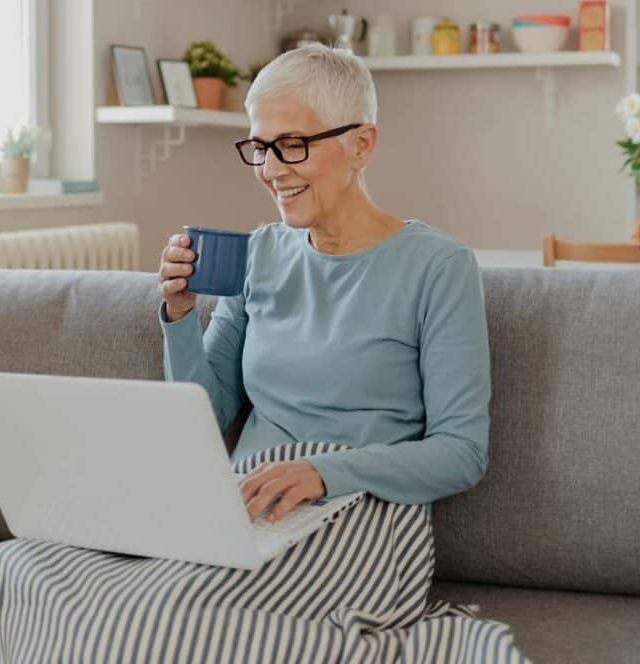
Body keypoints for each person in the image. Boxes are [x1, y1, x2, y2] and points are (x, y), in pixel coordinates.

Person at [157, 44, 490, 526]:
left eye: (293, 144)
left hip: (359, 512)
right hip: (241, 505)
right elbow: (203, 417)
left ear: (362, 144)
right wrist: (180, 313)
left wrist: (321, 472)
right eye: (260, 148)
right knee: (29, 571)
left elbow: (462, 453)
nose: (271, 171)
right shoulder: (259, 254)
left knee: (171, 603)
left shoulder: (439, 267)